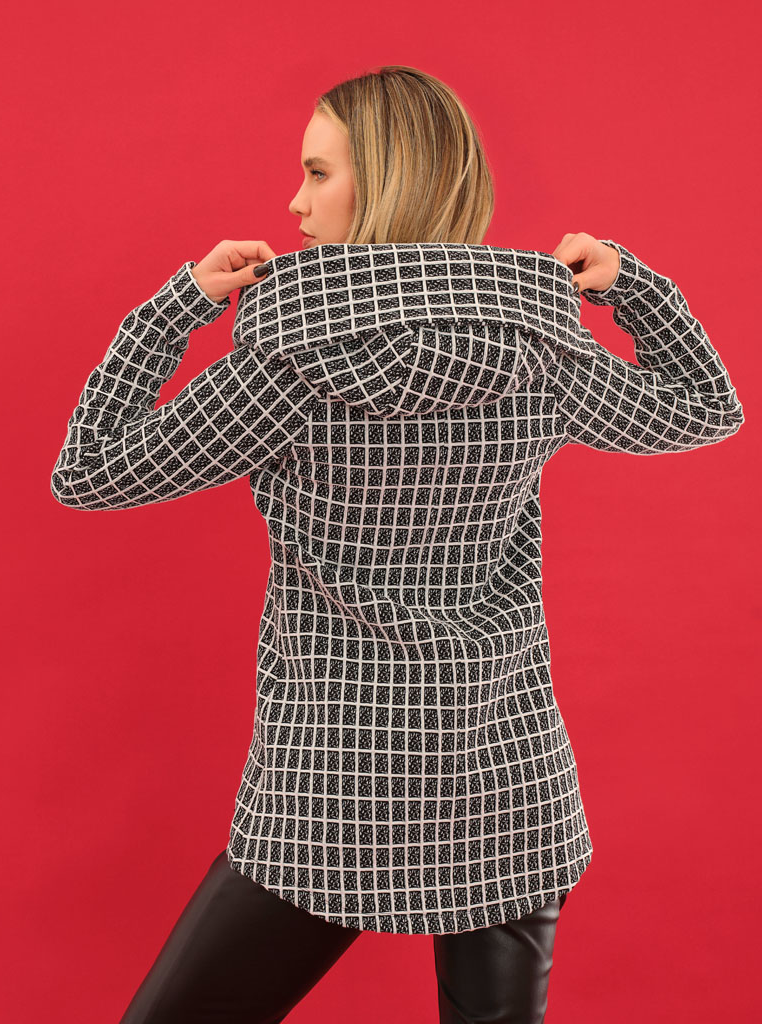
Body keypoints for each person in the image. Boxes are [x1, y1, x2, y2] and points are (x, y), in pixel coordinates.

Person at [50, 66, 744, 1024]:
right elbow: (708, 407)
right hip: (505, 780)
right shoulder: (541, 353)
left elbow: (89, 470)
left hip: (330, 789)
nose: (295, 204)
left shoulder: (288, 368)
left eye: (317, 172)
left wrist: (176, 307)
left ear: (386, 180)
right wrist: (636, 287)